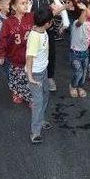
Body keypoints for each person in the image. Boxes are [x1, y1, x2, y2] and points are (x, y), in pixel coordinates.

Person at [29, 0, 70, 92]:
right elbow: (26, 15)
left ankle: (50, 77)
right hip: (35, 33)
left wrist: (65, 24)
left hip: (49, 31)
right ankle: (32, 78)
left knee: (50, 55)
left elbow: (60, 10)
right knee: (33, 56)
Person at [0, 0, 35, 104]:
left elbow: (44, 20)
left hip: (29, 57)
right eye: (22, 3)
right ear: (13, 7)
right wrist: (1, 55)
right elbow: (2, 39)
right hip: (14, 57)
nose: (26, 5)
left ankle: (30, 98)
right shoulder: (8, 22)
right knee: (16, 78)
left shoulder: (32, 17)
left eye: (27, 3)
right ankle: (17, 93)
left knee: (28, 79)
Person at [26, 8, 54, 144]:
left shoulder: (41, 30)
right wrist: (30, 77)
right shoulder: (35, 36)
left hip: (43, 69)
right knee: (38, 102)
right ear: (48, 23)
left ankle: (41, 119)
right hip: (35, 73)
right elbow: (29, 57)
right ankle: (35, 132)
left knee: (46, 95)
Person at [69, 0, 90, 98]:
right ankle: (73, 86)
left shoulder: (89, 23)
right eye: (87, 9)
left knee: (84, 72)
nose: (89, 10)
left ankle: (80, 86)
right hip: (75, 53)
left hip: (85, 52)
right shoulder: (76, 23)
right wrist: (84, 10)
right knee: (78, 72)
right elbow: (81, 21)